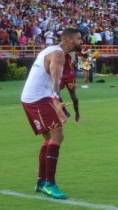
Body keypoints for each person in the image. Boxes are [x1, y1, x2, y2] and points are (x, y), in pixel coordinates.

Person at [21, 27, 82, 199]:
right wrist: (56, 102)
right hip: (38, 98)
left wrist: (56, 102)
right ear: (69, 40)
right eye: (78, 38)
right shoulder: (58, 54)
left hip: (34, 97)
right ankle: (50, 184)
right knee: (57, 136)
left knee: (49, 138)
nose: (81, 41)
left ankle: (41, 182)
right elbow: (55, 79)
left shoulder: (53, 51)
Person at [59, 52, 80, 122]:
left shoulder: (69, 51)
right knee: (56, 94)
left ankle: (77, 113)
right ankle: (65, 112)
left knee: (73, 96)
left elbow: (74, 62)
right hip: (61, 75)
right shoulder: (57, 51)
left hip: (69, 75)